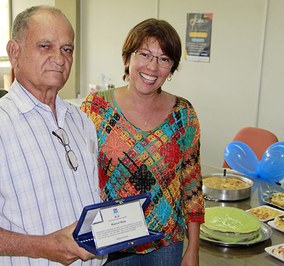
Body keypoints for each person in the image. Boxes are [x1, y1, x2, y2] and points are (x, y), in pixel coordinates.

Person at [0, 6, 105, 265]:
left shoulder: (81, 122)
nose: (60, 58)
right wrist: (43, 246)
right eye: (45, 46)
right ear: (14, 52)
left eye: (66, 49)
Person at [81, 18, 205, 266]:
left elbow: (191, 183)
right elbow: (78, 176)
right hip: (112, 242)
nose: (152, 66)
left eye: (164, 59)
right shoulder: (96, 108)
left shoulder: (183, 114)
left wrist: (193, 248)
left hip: (166, 243)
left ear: (171, 69)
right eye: (145, 54)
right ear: (127, 58)